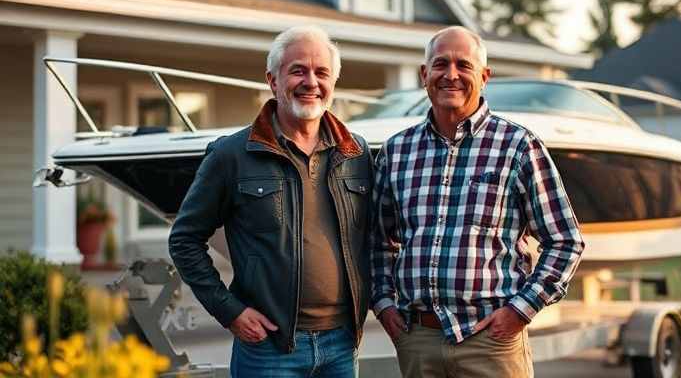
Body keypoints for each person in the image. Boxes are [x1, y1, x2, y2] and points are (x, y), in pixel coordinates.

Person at [371, 26, 584, 377]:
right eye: (440, 64)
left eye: (463, 65)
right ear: (425, 74)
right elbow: (379, 241)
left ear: (484, 77)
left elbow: (565, 240)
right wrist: (383, 303)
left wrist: (521, 310)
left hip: (491, 340)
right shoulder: (397, 150)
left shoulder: (518, 146)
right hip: (418, 340)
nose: (450, 74)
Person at [169, 25, 373, 377]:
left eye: (321, 72)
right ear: (273, 80)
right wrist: (229, 310)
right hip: (268, 348)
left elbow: (378, 237)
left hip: (341, 344)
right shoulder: (231, 155)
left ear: (333, 83)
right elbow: (185, 239)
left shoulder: (356, 152)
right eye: (298, 70)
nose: (311, 82)